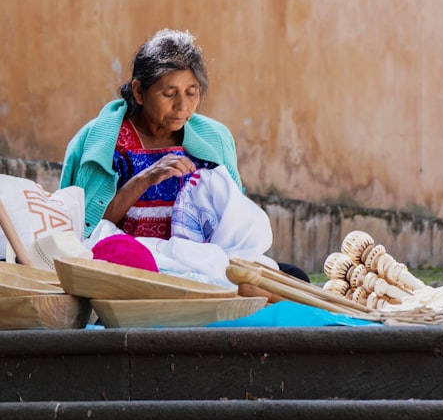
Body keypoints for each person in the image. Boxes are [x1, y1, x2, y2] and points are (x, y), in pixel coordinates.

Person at [60, 28, 309, 281]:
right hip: (137, 266)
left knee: (294, 277)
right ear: (138, 91)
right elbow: (86, 230)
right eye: (169, 93)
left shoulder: (214, 140)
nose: (182, 106)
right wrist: (146, 178)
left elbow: (232, 217)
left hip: (200, 263)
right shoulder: (104, 140)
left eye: (192, 92)